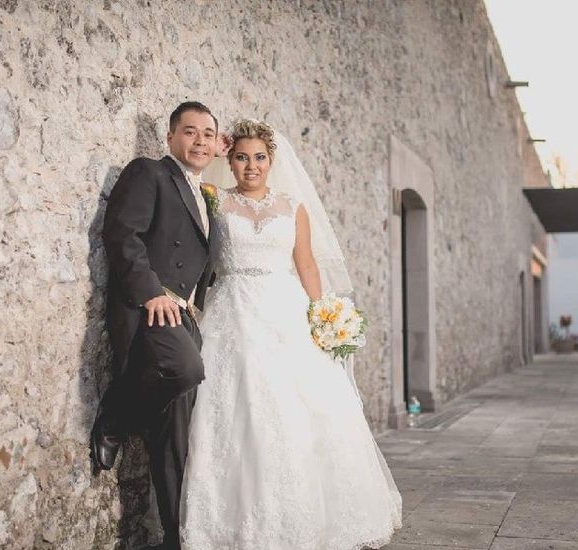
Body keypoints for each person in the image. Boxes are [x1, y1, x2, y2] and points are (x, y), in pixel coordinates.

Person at [179, 119, 402, 550]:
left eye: (259, 157)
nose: (250, 166)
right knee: (238, 407)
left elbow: (307, 265)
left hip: (286, 312)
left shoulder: (291, 205)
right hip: (233, 312)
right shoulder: (214, 199)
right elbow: (190, 188)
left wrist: (323, 317)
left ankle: (309, 512)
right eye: (241, 157)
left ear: (271, 160)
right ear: (230, 158)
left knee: (299, 408)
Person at [92, 101, 220, 550]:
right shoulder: (148, 171)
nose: (199, 140)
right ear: (170, 138)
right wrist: (149, 290)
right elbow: (121, 232)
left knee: (174, 438)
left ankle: (175, 538)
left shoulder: (207, 196)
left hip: (182, 314)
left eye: (208, 133)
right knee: (187, 369)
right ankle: (117, 412)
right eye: (190, 131)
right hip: (149, 307)